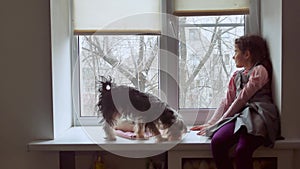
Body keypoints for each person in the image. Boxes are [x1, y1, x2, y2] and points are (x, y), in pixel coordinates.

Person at [190, 35, 281, 169]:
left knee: (242, 150)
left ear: (247, 54)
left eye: (235, 51)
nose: (233, 56)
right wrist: (211, 123)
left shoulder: (259, 71)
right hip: (240, 115)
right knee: (217, 141)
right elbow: (227, 101)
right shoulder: (237, 76)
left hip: (258, 114)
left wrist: (220, 122)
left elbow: (242, 99)